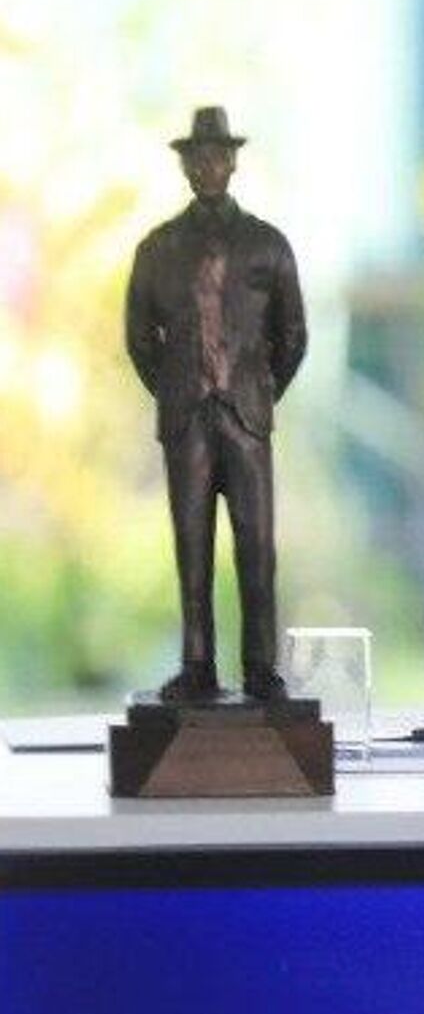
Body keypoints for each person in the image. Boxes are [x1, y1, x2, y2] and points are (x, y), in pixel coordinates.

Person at [126, 106, 307, 702]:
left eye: (217, 157)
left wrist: (260, 392)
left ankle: (260, 667)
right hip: (187, 419)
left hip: (247, 417)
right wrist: (175, 390)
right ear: (185, 166)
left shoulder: (268, 245)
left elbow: (293, 335)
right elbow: (139, 338)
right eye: (196, 159)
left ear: (232, 162)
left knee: (257, 546)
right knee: (192, 545)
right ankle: (197, 664)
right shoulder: (157, 249)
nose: (207, 167)